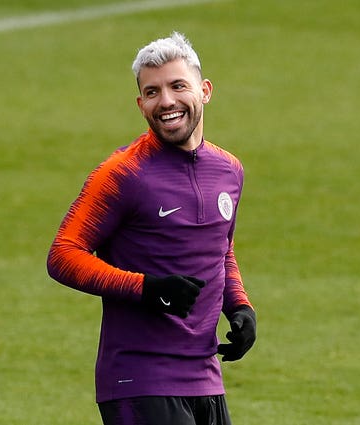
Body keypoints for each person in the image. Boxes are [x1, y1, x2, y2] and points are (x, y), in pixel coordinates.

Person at [47, 32, 256, 425]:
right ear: (141, 103)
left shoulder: (228, 170)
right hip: (138, 378)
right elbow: (63, 254)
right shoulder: (122, 174)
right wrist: (145, 288)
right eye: (152, 92)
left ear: (205, 90)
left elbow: (220, 247)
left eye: (178, 86)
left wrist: (239, 306)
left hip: (206, 377)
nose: (167, 102)